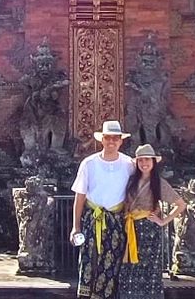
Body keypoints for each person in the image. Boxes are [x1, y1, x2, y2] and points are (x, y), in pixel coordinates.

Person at [70, 120, 135, 299]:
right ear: (102, 140)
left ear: (121, 141)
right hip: (93, 219)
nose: (111, 142)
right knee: (89, 262)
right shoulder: (89, 163)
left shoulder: (129, 164)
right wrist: (76, 227)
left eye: (115, 138)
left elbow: (138, 189)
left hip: (116, 221)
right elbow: (80, 196)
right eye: (108, 138)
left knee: (111, 265)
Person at [119, 144, 186, 299]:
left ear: (153, 162)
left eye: (147, 159)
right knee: (129, 266)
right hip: (130, 228)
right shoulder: (130, 181)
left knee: (148, 268)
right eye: (141, 160)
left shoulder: (159, 183)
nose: (144, 163)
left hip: (149, 231)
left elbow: (181, 204)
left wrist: (163, 221)